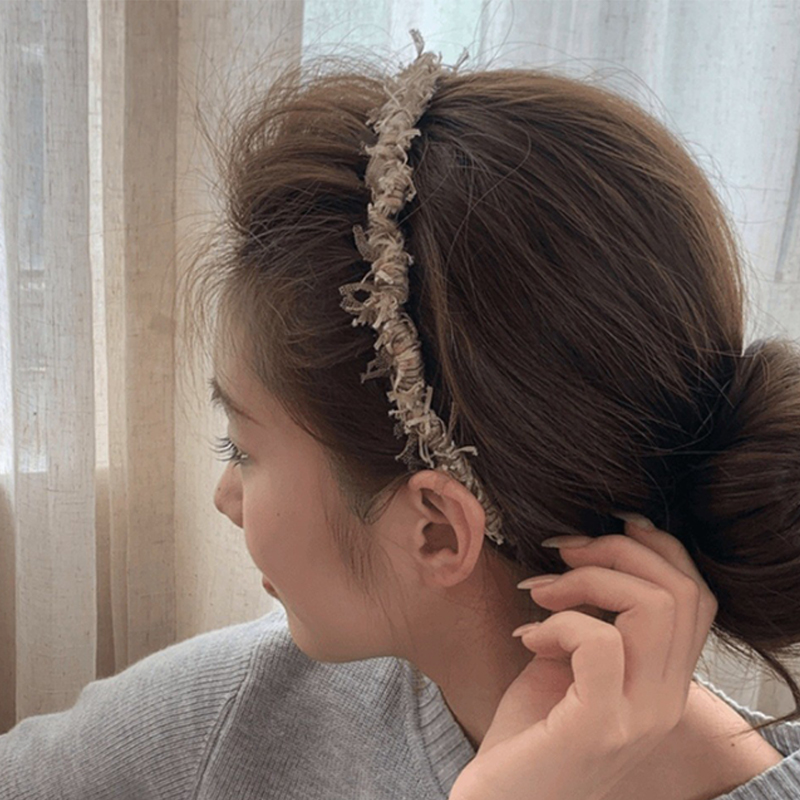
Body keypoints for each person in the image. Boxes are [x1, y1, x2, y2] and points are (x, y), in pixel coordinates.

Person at [2, 27, 800, 800]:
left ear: (436, 531)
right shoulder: (233, 711)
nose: (226, 496)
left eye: (240, 448)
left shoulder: (254, 712)